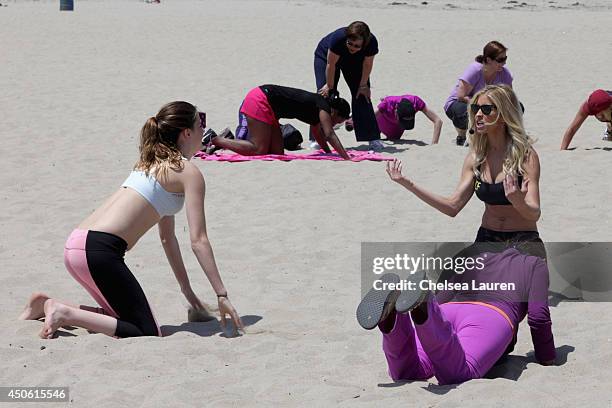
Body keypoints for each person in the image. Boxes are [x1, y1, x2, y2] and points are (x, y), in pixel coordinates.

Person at [19, 102, 243, 339]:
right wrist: (221, 294)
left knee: (120, 317)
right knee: (145, 330)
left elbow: (168, 238)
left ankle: (43, 304)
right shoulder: (188, 172)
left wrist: (188, 292)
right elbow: (198, 240)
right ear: (187, 133)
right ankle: (62, 312)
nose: (204, 131)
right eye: (201, 124)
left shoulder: (149, 163)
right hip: (100, 252)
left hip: (77, 245)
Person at [356, 246, 556, 385]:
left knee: (409, 371)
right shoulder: (535, 264)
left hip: (449, 309)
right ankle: (423, 312)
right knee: (460, 372)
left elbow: (442, 296)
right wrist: (546, 356)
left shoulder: (473, 259)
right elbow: (538, 316)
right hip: (490, 315)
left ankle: (399, 319)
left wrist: (435, 313)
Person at [387, 85, 544, 257]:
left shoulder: (525, 156)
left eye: (486, 109)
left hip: (523, 241)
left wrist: (518, 200)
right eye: (476, 108)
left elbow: (534, 213)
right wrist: (407, 183)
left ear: (503, 115)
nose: (478, 114)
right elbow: (452, 207)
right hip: (487, 238)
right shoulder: (476, 158)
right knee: (448, 280)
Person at [211, 84, 351, 159]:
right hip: (261, 100)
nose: (335, 124)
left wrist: (328, 152)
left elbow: (318, 133)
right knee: (258, 149)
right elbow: (329, 134)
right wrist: (345, 157)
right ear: (334, 111)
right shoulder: (324, 106)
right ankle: (217, 140)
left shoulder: (318, 110)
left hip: (272, 109)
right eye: (338, 120)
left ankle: (224, 140)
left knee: (278, 153)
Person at [313, 21, 383, 151]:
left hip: (355, 61)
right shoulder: (338, 38)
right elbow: (331, 64)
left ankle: (372, 137)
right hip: (326, 57)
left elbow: (367, 64)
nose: (352, 47)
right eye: (350, 43)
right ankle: (319, 136)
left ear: (364, 43)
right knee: (325, 94)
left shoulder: (371, 43)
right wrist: (329, 85)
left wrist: (363, 85)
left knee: (362, 95)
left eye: (357, 45)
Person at [444, 41, 513, 146]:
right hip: (460, 103)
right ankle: (462, 135)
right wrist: (482, 104)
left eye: (505, 58)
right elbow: (461, 96)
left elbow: (510, 97)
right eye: (500, 60)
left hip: (488, 105)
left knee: (517, 107)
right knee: (465, 112)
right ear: (489, 60)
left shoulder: (504, 73)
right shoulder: (475, 70)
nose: (504, 63)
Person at [371, 93, 442, 144]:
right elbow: (370, 119)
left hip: (396, 124)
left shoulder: (416, 102)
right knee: (376, 125)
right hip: (385, 118)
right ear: (396, 112)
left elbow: (438, 121)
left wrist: (434, 144)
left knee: (395, 139)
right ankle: (385, 98)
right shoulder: (387, 104)